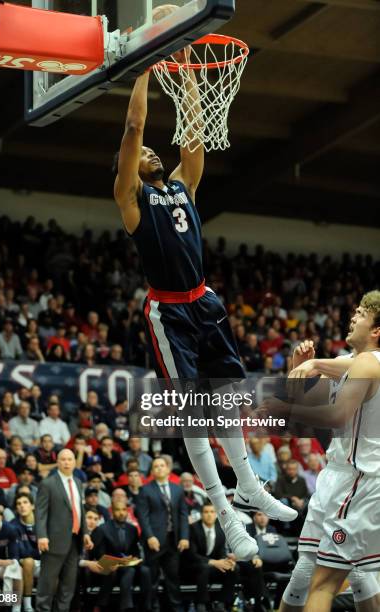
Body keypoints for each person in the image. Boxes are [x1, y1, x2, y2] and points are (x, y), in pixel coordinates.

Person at [113, 32, 296, 560]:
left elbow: (193, 130)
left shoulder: (182, 186)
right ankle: (229, 513)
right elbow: (133, 127)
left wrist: (190, 65)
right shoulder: (131, 200)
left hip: (205, 300)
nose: (150, 150)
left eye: (153, 151)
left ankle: (248, 484)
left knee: (227, 400)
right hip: (168, 309)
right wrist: (146, 65)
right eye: (141, 154)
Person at [269, 294, 380, 612]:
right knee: (311, 572)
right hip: (338, 477)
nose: (353, 316)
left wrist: (285, 406)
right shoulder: (354, 362)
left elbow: (334, 416)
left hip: (361, 481)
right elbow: (307, 405)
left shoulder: (368, 363)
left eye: (362, 314)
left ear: (376, 330)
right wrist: (302, 367)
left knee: (324, 582)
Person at [35, 448, 93, 612]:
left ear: (75, 462)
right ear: (57, 462)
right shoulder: (48, 483)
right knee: (47, 584)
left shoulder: (78, 481)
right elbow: (40, 512)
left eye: (70, 459)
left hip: (74, 541)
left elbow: (79, 509)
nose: (66, 462)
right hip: (53, 541)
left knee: (68, 586)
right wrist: (42, 536)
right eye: (63, 459)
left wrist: (86, 533)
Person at [136, 456, 189, 611]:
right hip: (154, 541)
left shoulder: (177, 489)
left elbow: (183, 514)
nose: (159, 468)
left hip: (173, 540)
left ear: (168, 469)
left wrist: (185, 536)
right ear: (152, 471)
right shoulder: (145, 489)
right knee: (151, 579)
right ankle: (150, 607)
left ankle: (176, 608)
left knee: (173, 577)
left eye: (162, 465)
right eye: (156, 466)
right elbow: (142, 516)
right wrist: (150, 536)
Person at [92, 500, 152, 611]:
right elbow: (99, 555)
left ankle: (146, 607)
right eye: (118, 510)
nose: (121, 513)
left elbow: (135, 552)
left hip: (128, 564)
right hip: (110, 567)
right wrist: (118, 561)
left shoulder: (132, 529)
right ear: (112, 512)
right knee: (130, 571)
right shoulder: (102, 529)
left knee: (145, 571)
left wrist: (134, 558)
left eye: (124, 510)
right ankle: (126, 607)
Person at [186, 501, 239, 612]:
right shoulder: (193, 529)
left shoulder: (220, 529)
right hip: (193, 566)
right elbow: (192, 555)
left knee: (233, 568)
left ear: (216, 514)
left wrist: (226, 561)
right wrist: (214, 562)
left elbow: (221, 551)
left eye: (212, 512)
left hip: (212, 566)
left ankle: (221, 602)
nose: (209, 514)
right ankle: (201, 604)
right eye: (206, 512)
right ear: (201, 514)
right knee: (204, 567)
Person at [11, 493, 39, 612]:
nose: (22, 506)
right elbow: (20, 551)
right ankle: (27, 605)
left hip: (44, 561)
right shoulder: (13, 525)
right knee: (28, 562)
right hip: (23, 562)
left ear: (32, 506)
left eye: (25, 502)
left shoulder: (42, 522)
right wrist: (37, 552)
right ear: (16, 508)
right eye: (18, 504)